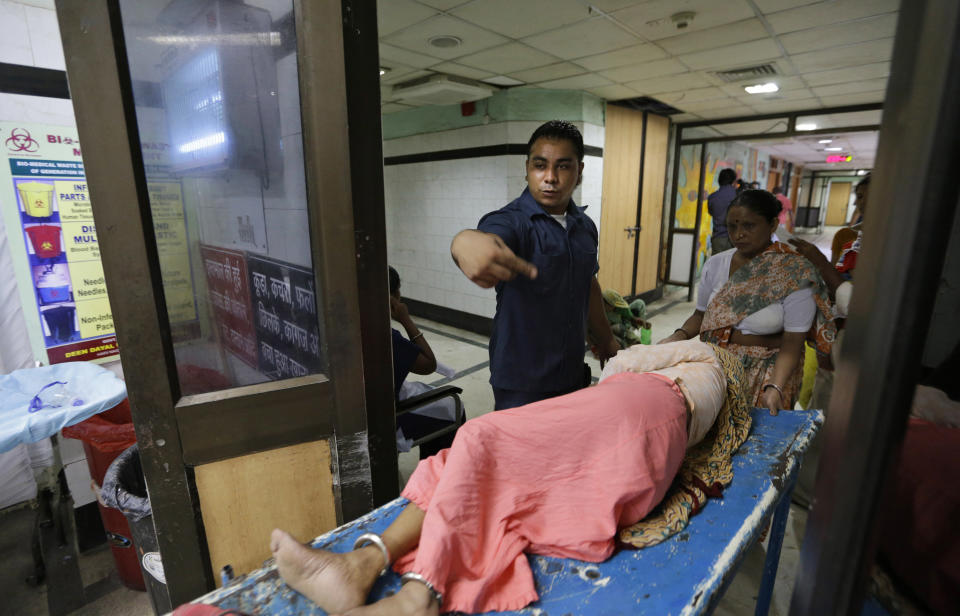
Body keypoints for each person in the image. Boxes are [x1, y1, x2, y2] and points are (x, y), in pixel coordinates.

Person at [270, 339, 739, 615]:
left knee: (479, 437)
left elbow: (620, 364)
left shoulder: (702, 355)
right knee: (466, 469)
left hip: (637, 409)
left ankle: (418, 594)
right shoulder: (709, 398)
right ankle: (360, 567)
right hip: (645, 444)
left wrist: (658, 347)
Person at [449, 120, 619, 410]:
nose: (550, 177)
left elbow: (587, 284)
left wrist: (606, 340)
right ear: (527, 168)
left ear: (579, 172)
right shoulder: (512, 221)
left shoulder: (585, 227)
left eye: (563, 166)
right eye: (540, 165)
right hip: (521, 381)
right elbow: (482, 238)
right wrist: (463, 243)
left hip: (572, 371)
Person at [659, 190, 836, 412]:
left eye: (749, 226)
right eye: (732, 226)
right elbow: (700, 316)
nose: (738, 234)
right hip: (716, 366)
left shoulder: (794, 273)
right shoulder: (715, 265)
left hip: (766, 373)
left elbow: (793, 341)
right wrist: (677, 336)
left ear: (772, 224)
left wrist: (775, 387)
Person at [389, 266, 462, 459]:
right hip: (392, 418)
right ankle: (434, 475)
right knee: (454, 407)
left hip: (365, 415)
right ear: (394, 296)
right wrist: (405, 319)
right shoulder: (390, 339)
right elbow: (429, 365)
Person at [708, 168, 737, 254]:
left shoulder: (712, 197)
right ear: (733, 181)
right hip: (734, 239)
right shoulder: (738, 195)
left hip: (718, 239)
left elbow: (711, 212)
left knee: (716, 266)